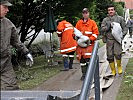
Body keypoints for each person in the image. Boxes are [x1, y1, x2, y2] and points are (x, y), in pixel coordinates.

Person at [0, 0, 33, 90]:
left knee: (11, 88)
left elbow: (16, 41)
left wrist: (26, 52)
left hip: (5, 62)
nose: (7, 10)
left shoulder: (8, 23)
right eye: (5, 7)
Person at [101, 5, 127, 76]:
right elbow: (102, 29)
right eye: (109, 10)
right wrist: (107, 27)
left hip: (117, 40)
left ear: (115, 11)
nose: (110, 11)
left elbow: (125, 28)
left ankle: (119, 66)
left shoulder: (120, 19)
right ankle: (113, 70)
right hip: (109, 40)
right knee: (109, 55)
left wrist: (122, 36)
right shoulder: (105, 20)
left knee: (118, 54)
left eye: (112, 10)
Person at [75, 8, 99, 80]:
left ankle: (90, 75)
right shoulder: (79, 23)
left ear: (89, 13)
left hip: (89, 46)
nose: (85, 14)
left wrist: (90, 40)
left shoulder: (92, 23)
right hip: (81, 47)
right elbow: (75, 32)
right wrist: (75, 37)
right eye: (84, 13)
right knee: (82, 62)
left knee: (89, 61)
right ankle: (84, 75)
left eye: (86, 13)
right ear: (82, 14)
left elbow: (95, 33)